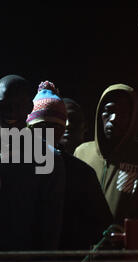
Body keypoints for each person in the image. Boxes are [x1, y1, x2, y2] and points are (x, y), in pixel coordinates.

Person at [0, 75, 66, 253]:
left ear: (29, 108)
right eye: (4, 105)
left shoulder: (49, 159)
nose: (11, 111)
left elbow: (49, 227)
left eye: (19, 105)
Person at [26, 81, 113, 251]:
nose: (45, 133)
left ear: (60, 130)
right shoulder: (16, 166)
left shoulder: (81, 173)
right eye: (39, 127)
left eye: (52, 126)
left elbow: (101, 228)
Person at [74, 84, 138, 223]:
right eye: (108, 111)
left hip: (126, 244)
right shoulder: (82, 152)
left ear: (133, 117)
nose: (114, 118)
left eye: (123, 113)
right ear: (99, 114)